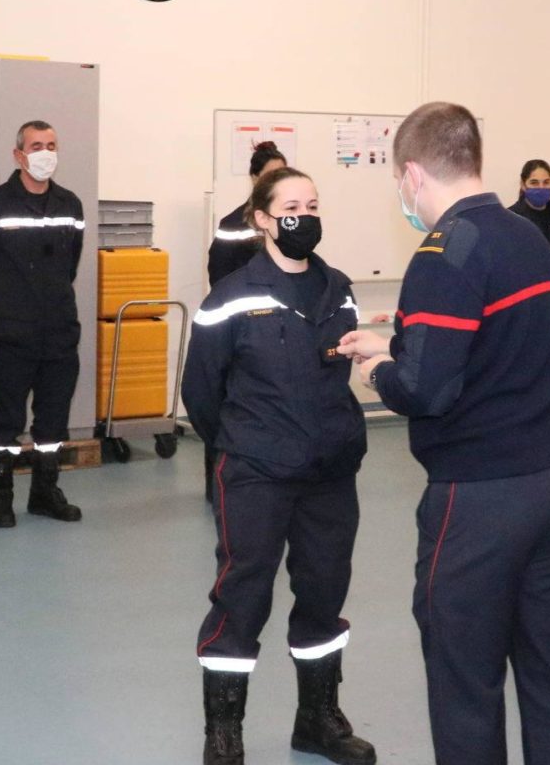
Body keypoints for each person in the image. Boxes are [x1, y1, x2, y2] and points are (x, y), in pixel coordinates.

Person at [338, 102, 550, 765]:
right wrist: (399, 344)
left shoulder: (443, 254)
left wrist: (380, 369)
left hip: (480, 501)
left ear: (412, 174)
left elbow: (425, 392)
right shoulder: (526, 238)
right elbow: (498, 345)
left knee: (465, 685)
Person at [183, 167, 375, 765]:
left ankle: (317, 719)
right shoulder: (231, 296)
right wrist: (245, 443)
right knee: (243, 594)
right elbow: (201, 392)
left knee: (324, 590)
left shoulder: (338, 288)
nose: (304, 216)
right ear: (263, 219)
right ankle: (224, 731)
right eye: (291, 207)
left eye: (312, 205)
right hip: (256, 472)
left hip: (329, 470)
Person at [0, 120, 85, 528]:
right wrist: (8, 301)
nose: (45, 153)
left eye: (51, 145)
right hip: (12, 333)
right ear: (19, 155)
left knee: (53, 419)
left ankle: (45, 494)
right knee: (7, 418)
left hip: (60, 331)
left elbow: (70, 264)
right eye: (36, 146)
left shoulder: (70, 204)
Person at [201, 141, 287, 502]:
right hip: (240, 334)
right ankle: (218, 484)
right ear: (254, 178)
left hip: (279, 335)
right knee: (229, 407)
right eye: (270, 175)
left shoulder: (289, 224)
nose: (277, 181)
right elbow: (219, 279)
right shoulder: (232, 225)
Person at [508, 159, 550, 344]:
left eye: (546, 182)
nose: (541, 188)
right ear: (523, 184)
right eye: (534, 183)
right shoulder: (510, 218)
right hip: (521, 304)